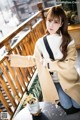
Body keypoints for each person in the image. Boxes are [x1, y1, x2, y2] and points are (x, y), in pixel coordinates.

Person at [9, 6, 80, 115]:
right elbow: (34, 59)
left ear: (61, 24)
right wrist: (13, 60)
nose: (51, 25)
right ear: (46, 20)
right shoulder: (40, 43)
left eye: (56, 22)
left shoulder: (68, 40)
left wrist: (50, 64)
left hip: (69, 79)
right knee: (67, 107)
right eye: (49, 20)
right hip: (53, 81)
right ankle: (60, 95)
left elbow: (70, 63)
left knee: (77, 105)